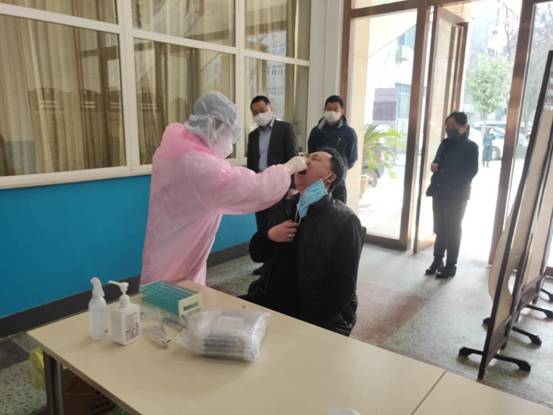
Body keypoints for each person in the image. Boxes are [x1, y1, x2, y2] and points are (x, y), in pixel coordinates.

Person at [141, 92, 307, 285]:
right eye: (227, 131)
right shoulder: (196, 164)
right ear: (214, 124)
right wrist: (288, 168)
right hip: (176, 265)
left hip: (167, 250)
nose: (229, 140)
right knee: (174, 296)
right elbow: (253, 188)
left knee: (173, 293)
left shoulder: (174, 151)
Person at [244, 148, 365, 335]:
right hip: (269, 300)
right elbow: (256, 254)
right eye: (306, 156)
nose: (305, 160)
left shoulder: (345, 221)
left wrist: (304, 323)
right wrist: (269, 235)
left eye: (315, 158)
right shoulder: (283, 207)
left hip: (311, 314)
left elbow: (342, 287)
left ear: (330, 178)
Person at [247, 95, 298, 275]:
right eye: (255, 113)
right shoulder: (253, 135)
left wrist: (292, 187)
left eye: (262, 110)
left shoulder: (285, 129)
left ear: (270, 109)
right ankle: (265, 263)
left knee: (276, 224)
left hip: (280, 186)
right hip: (260, 187)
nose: (259, 115)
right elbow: (252, 163)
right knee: (262, 225)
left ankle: (275, 264)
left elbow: (293, 157)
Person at [425, 111, 479, 279]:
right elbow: (437, 161)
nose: (449, 129)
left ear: (464, 127)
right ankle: (437, 260)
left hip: (456, 195)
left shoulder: (471, 147)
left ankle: (451, 265)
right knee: (440, 228)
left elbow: (470, 172)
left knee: (453, 229)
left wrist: (447, 174)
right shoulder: (445, 143)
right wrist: (434, 165)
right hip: (439, 191)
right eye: (447, 126)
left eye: (453, 126)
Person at [307, 95, 358, 203]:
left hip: (339, 182)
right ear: (324, 110)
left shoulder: (349, 133)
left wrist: (339, 168)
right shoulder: (316, 131)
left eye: (335, 109)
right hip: (317, 180)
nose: (331, 112)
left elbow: (352, 158)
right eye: (329, 109)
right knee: (317, 208)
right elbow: (311, 153)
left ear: (342, 111)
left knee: (338, 209)